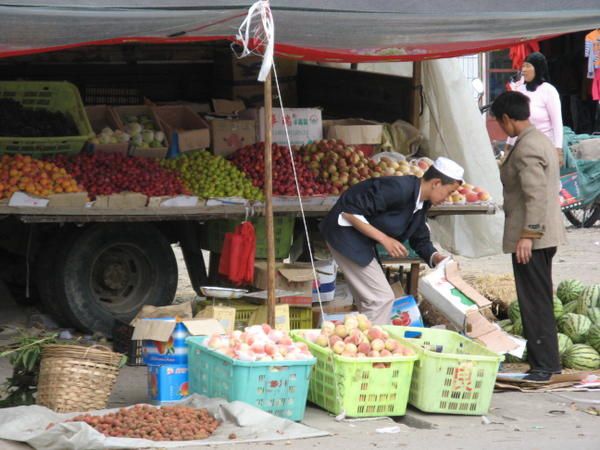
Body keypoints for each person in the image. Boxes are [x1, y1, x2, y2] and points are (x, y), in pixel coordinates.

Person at [320, 157, 463, 324]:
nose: (448, 197)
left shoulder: (422, 203)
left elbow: (420, 239)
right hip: (344, 235)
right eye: (450, 192)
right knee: (381, 298)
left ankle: (357, 341)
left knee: (371, 300)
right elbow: (348, 211)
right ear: (436, 183)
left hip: (360, 242)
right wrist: (384, 239)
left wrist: (437, 258)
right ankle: (370, 346)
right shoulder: (399, 188)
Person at [491, 91, 566, 382]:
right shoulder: (538, 140)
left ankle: (544, 366)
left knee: (533, 301)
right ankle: (549, 362)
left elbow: (535, 196)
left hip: (533, 238)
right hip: (542, 236)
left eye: (500, 122)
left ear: (507, 119)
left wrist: (527, 235)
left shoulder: (527, 149)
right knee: (539, 298)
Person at [506, 52, 564, 165]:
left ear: (538, 68)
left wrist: (558, 150)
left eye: (528, 66)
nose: (524, 70)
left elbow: (557, 123)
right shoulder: (519, 90)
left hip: (544, 149)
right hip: (523, 149)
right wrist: (508, 147)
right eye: (523, 66)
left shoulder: (548, 91)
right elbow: (514, 122)